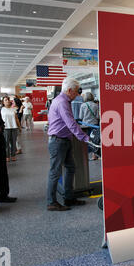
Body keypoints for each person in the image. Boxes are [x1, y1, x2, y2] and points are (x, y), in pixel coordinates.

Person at [46, 78, 90, 211]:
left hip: (64, 140)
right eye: (76, 92)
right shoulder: (62, 102)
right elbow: (70, 122)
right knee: (55, 172)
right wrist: (85, 138)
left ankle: (69, 197)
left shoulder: (63, 100)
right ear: (69, 90)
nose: (77, 95)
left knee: (71, 168)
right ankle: (51, 202)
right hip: (58, 141)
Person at [79, 92, 100, 161]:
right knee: (95, 140)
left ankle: (85, 156)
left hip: (85, 125)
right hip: (94, 125)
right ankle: (95, 155)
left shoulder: (83, 105)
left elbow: (80, 116)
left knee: (86, 140)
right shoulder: (95, 105)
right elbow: (97, 116)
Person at [1, 96, 21, 162]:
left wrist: (19, 127)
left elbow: (16, 118)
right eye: (5, 100)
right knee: (6, 143)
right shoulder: (1, 109)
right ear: (3, 102)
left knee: (13, 142)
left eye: (8, 100)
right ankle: (7, 156)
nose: (7, 101)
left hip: (14, 127)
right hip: (6, 128)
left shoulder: (13, 109)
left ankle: (13, 155)